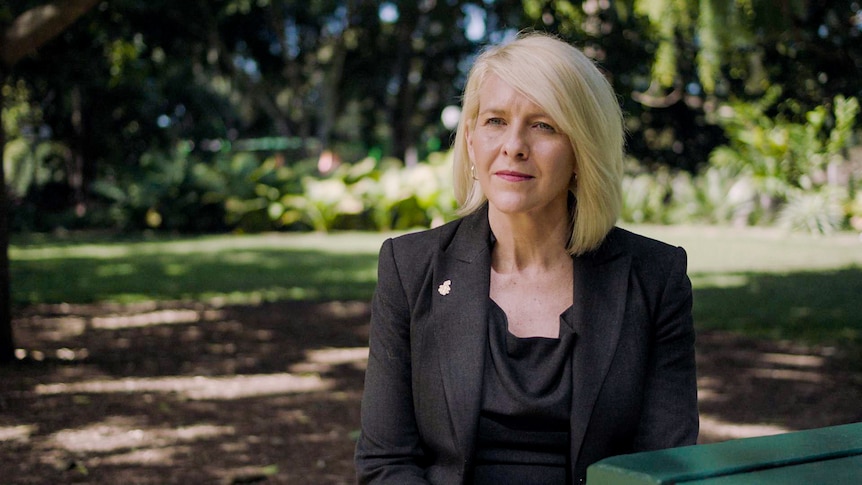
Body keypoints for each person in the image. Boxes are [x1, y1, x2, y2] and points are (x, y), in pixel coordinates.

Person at [355, 32, 698, 484]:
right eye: (495, 120)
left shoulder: (655, 277)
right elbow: (386, 462)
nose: (514, 145)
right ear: (472, 141)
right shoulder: (410, 267)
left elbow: (663, 466)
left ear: (582, 151)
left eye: (544, 125)